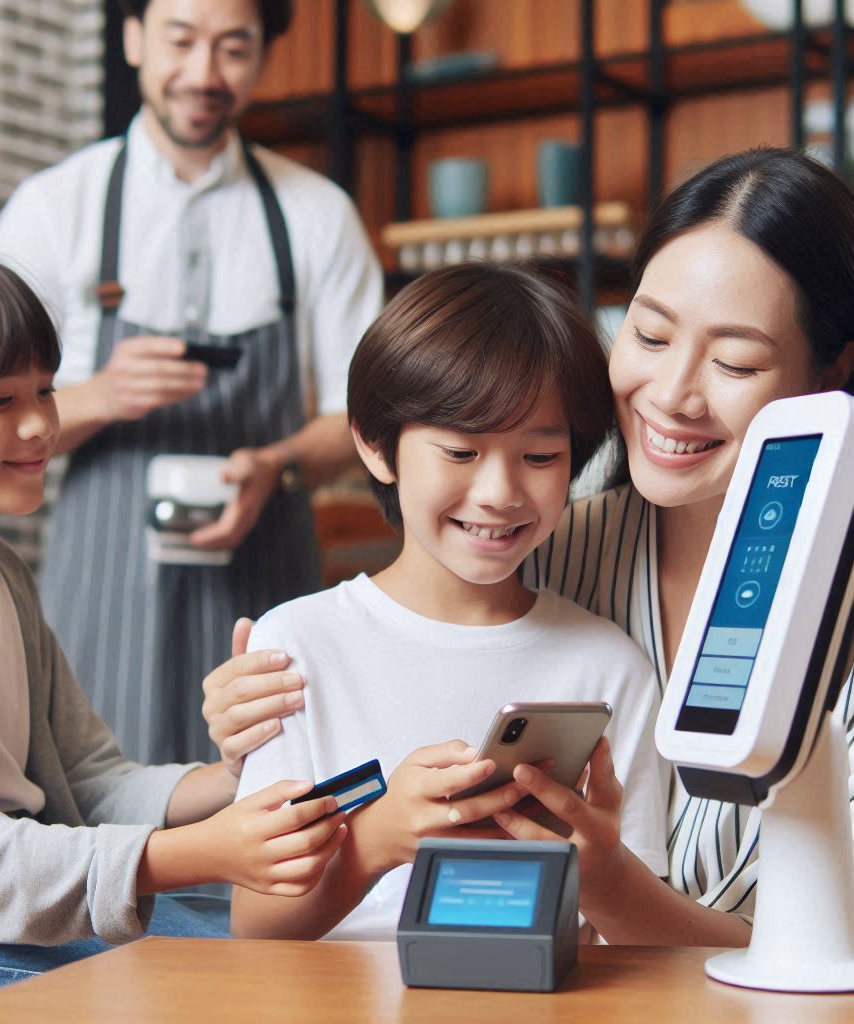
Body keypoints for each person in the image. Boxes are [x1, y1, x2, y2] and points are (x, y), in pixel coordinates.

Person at [0, 239, 349, 1021]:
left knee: (289, 951)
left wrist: (234, 776)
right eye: (0, 402)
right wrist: (188, 856)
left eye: (44, 391)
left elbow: (86, 781)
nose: (41, 424)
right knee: (246, 979)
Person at [0, 0, 383, 766]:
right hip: (101, 592)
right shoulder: (53, 208)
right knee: (94, 803)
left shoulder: (318, 216)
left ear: (263, 56)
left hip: (264, 585)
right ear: (133, 39)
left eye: (233, 48)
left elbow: (361, 420)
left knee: (267, 803)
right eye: (181, 41)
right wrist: (100, 394)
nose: (203, 74)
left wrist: (279, 465)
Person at [230, 263, 670, 941]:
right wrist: (375, 841)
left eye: (541, 457)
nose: (499, 491)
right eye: (461, 451)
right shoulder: (298, 646)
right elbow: (257, 926)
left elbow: (640, 944)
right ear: (375, 446)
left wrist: (598, 876)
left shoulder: (609, 669)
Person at [493, 147, 854, 945]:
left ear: (831, 376)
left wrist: (621, 896)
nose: (672, 396)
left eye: (734, 361)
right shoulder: (543, 550)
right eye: (649, 336)